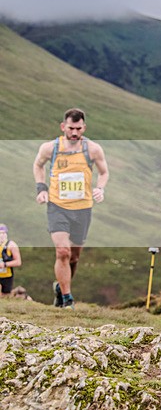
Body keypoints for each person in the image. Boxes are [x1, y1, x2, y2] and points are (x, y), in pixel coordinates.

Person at [33, 108, 109, 309]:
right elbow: (38, 165)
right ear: (63, 127)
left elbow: (103, 172)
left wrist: (100, 189)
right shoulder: (50, 148)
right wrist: (41, 189)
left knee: (74, 256)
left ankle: (61, 286)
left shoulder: (92, 149)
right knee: (63, 251)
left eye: (78, 128)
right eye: (70, 128)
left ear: (84, 127)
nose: (74, 133)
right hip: (57, 206)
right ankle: (67, 299)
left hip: (83, 208)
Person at [0, 224, 23, 298]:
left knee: (5, 296)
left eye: (3, 233)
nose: (1, 235)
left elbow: (18, 262)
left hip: (7, 275)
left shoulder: (11, 245)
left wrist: (4, 264)